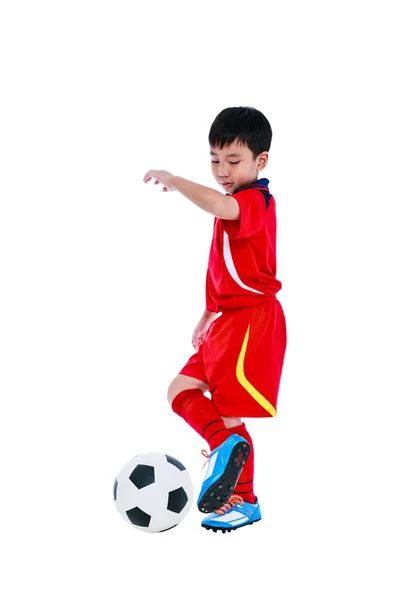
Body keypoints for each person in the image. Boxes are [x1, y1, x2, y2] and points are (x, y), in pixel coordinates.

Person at [143, 106, 287, 533]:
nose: (221, 170)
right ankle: (224, 449)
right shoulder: (232, 204)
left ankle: (245, 500)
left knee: (228, 412)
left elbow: (220, 206)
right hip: (225, 319)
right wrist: (207, 315)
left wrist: (174, 179)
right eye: (214, 159)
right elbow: (222, 267)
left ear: (261, 161)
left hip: (251, 320)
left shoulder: (255, 201)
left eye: (233, 160)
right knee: (179, 390)